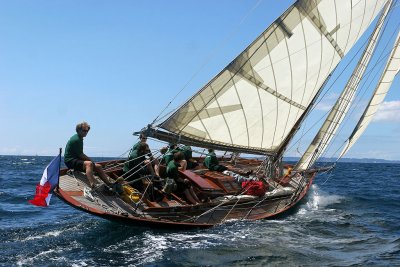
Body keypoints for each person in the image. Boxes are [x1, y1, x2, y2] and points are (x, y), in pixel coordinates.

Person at [64, 122, 111, 188]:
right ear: (78, 130)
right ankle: (93, 185)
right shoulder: (76, 140)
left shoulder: (79, 138)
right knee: (89, 164)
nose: (86, 132)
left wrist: (93, 163)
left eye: (87, 131)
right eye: (84, 130)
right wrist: (91, 161)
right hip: (70, 161)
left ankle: (109, 184)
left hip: (76, 159)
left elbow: (80, 155)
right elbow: (81, 155)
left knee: (99, 166)